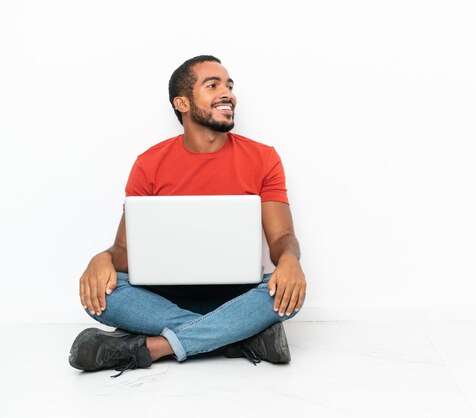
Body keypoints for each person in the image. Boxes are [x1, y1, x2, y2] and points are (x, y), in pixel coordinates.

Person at [69, 55, 307, 377]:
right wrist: (104, 258)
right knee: (100, 295)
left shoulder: (263, 158)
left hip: (237, 295)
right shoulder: (149, 163)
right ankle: (237, 338)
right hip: (164, 297)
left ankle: (151, 348)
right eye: (213, 85)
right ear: (182, 103)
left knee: (283, 292)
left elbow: (281, 238)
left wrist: (290, 260)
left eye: (229, 86)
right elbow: (125, 251)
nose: (228, 94)